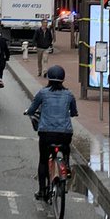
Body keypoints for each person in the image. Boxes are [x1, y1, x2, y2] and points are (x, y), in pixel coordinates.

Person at [24, 64, 78, 201]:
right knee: (65, 147)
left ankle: (42, 191)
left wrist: (28, 112)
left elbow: (32, 109)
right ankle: (66, 163)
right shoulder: (69, 94)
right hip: (65, 134)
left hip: (46, 133)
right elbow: (74, 112)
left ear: (48, 78)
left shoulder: (43, 93)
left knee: (43, 160)